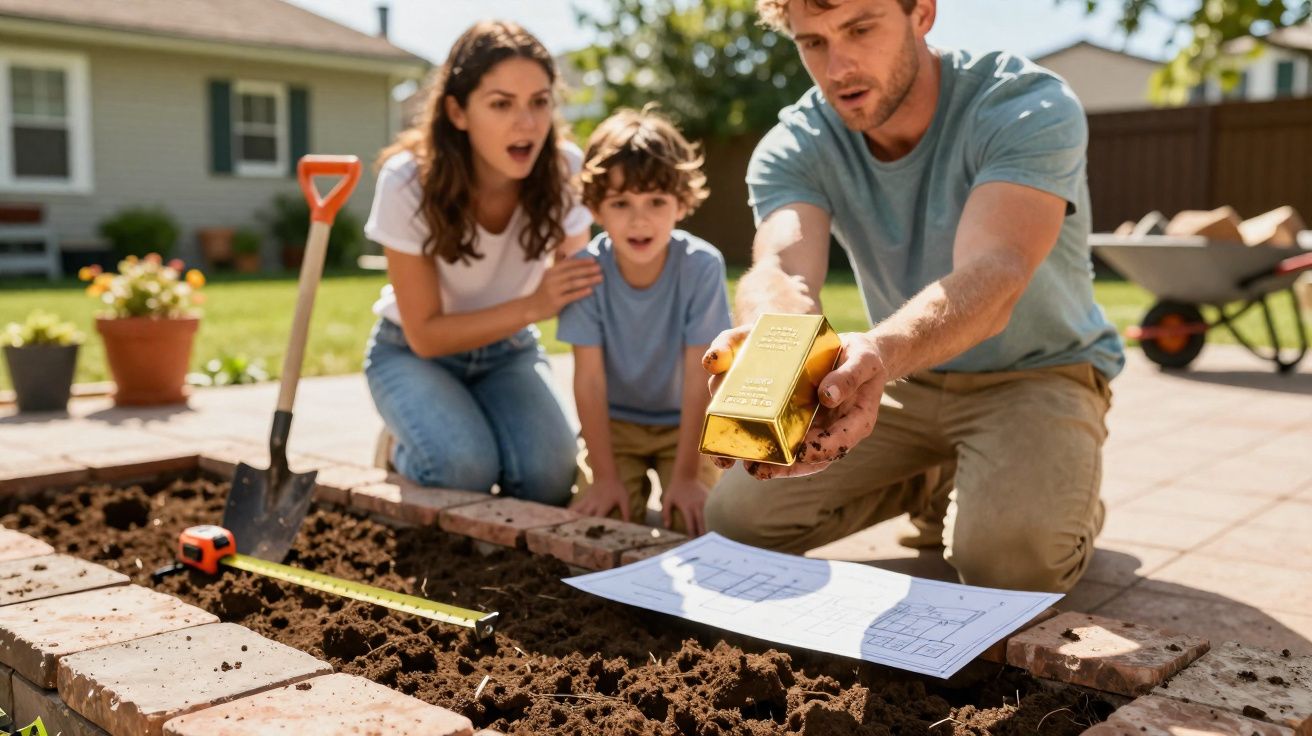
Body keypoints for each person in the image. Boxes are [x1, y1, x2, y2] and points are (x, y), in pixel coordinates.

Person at [702, 0, 1125, 593]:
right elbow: (781, 267)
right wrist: (776, 355)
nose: (838, 66)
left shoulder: (1024, 104)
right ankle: (935, 477)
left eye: (860, 29)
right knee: (736, 519)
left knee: (1009, 563)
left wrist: (877, 352)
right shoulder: (797, 141)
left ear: (922, 14)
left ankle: (1063, 502)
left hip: (1037, 372)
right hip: (906, 378)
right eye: (813, 43)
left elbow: (995, 273)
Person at [362, 21, 602, 505]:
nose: (528, 123)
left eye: (540, 101)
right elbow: (425, 335)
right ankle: (402, 449)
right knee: (462, 469)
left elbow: (582, 297)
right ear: (457, 111)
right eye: (501, 104)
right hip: (411, 354)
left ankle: (466, 423)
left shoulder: (565, 171)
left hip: (508, 353)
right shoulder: (407, 181)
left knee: (549, 480)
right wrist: (535, 304)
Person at [558, 107, 731, 535]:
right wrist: (606, 477)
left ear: (682, 202)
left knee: (695, 522)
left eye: (656, 201)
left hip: (686, 426)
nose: (639, 219)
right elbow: (590, 381)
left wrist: (688, 477)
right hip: (616, 426)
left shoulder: (701, 267)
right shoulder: (586, 269)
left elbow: (700, 377)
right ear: (596, 207)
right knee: (602, 525)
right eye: (621, 203)